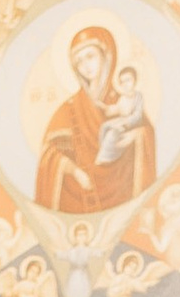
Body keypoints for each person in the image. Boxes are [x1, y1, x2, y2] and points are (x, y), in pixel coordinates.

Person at [34, 25, 156, 215]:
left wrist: (137, 135)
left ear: (106, 56)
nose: (85, 66)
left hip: (123, 199)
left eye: (90, 57)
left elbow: (145, 133)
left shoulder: (125, 103)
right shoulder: (69, 109)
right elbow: (49, 154)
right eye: (79, 62)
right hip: (80, 198)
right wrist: (75, 171)